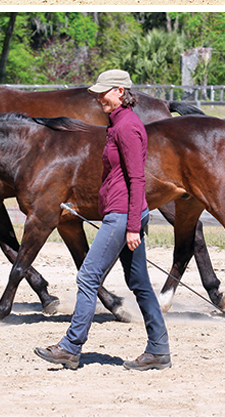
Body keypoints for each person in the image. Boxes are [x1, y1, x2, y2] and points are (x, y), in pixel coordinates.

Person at [34, 69, 170, 371]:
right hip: (121, 213)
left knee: (88, 277)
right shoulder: (117, 123)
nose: (98, 98)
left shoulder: (127, 127)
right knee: (140, 283)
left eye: (103, 92)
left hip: (123, 215)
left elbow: (137, 178)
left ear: (120, 91)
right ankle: (159, 350)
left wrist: (132, 226)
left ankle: (70, 347)